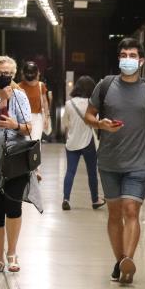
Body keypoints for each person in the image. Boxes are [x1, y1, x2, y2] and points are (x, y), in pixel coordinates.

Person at [84, 37, 145, 285]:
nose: (128, 59)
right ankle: (121, 262)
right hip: (108, 162)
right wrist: (100, 123)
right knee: (114, 214)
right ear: (119, 59)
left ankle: (129, 258)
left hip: (138, 162)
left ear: (141, 60)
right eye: (124, 55)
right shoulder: (105, 86)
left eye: (132, 55)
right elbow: (88, 115)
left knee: (131, 210)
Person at [0, 56, 42, 273]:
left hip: (15, 158)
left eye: (7, 73)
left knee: (13, 206)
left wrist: (15, 125)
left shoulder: (21, 96)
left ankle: (12, 253)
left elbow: (28, 128)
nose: (3, 77)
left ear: (13, 75)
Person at [61, 75, 106, 211]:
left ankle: (66, 199)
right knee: (92, 172)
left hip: (72, 142)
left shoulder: (69, 104)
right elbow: (96, 122)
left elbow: (65, 124)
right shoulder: (92, 104)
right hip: (88, 143)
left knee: (70, 171)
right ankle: (95, 200)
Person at [18, 61, 50, 141]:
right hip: (22, 118)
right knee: (25, 142)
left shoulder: (40, 85)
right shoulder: (18, 86)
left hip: (37, 117)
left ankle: (35, 154)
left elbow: (45, 102)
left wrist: (46, 117)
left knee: (35, 141)